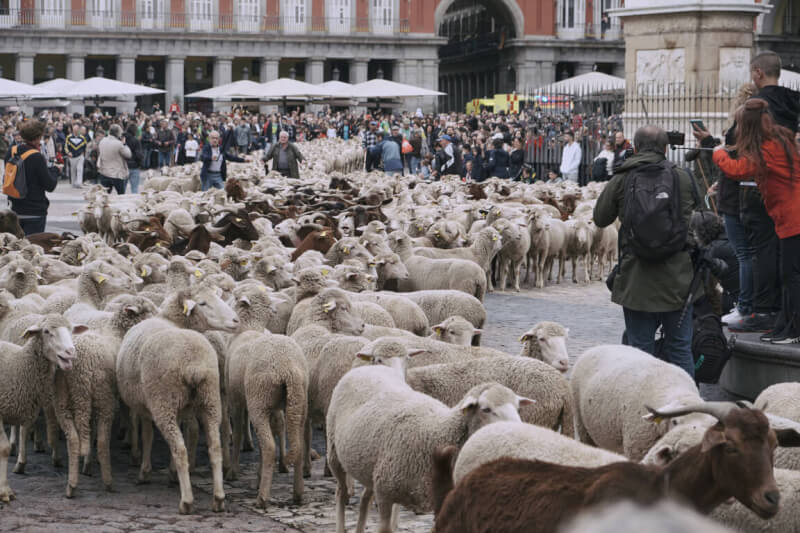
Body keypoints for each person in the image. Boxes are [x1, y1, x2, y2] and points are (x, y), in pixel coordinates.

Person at [593, 125, 702, 377]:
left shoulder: (623, 177)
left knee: (640, 350)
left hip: (636, 278)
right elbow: (701, 213)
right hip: (678, 279)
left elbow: (600, 218)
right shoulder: (682, 177)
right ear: (665, 148)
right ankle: (685, 405)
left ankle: (640, 405)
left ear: (635, 147)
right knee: (679, 348)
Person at [713, 98, 800, 344]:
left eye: (739, 125)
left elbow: (736, 169)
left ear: (748, 127)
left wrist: (718, 152)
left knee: (791, 277)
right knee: (788, 276)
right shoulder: (778, 138)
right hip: (789, 218)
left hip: (793, 218)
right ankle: (786, 324)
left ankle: (794, 330)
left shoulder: (766, 150)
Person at [4, 120, 57, 235]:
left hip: (15, 210)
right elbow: (50, 185)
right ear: (37, 137)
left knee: (15, 248)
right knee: (31, 249)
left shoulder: (12, 152)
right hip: (34, 211)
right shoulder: (36, 157)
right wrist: (55, 170)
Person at [97, 124, 131, 195]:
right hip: (117, 174)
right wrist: (124, 144)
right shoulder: (119, 144)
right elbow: (128, 155)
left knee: (104, 195)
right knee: (121, 195)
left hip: (104, 172)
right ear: (118, 133)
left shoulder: (102, 141)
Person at [65, 122, 88, 188]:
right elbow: (66, 146)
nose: (75, 130)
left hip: (80, 156)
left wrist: (83, 153)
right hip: (72, 157)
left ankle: (79, 183)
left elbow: (85, 146)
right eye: (74, 129)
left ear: (79, 130)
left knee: (80, 169)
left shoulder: (82, 138)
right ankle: (73, 183)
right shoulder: (69, 137)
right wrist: (68, 152)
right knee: (73, 170)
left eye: (77, 129)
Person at [124, 123, 144, 194]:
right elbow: (138, 154)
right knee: (134, 189)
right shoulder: (136, 141)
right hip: (134, 166)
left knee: (122, 190)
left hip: (124, 166)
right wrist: (141, 162)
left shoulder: (122, 140)